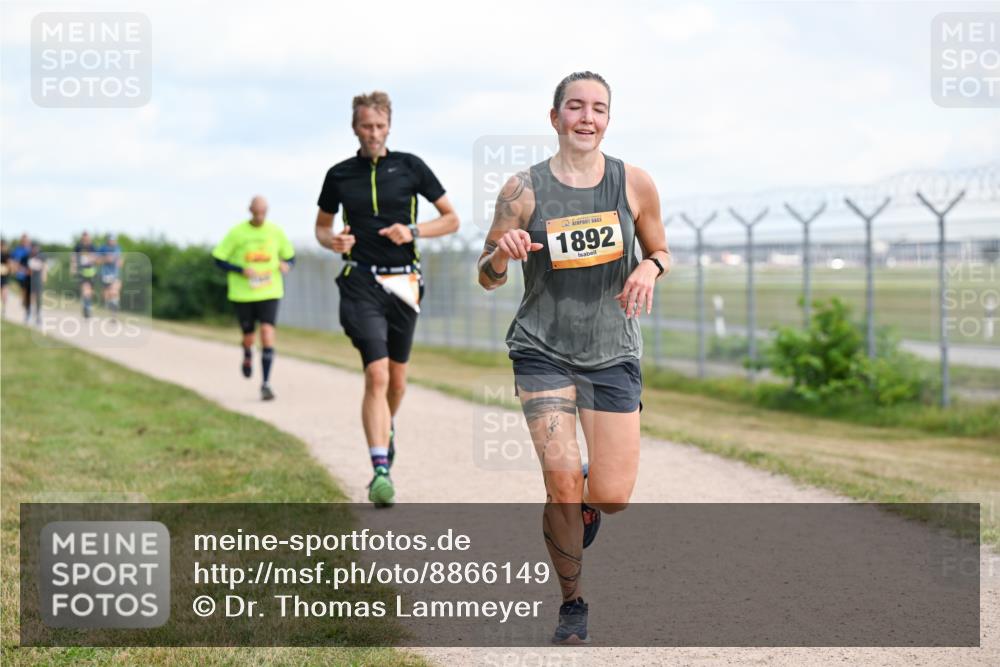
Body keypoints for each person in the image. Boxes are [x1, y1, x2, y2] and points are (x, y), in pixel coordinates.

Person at [476, 72, 670, 644]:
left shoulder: (634, 183)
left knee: (611, 497)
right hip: (542, 350)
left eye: (598, 108)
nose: (587, 118)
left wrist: (649, 266)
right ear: (555, 116)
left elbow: (661, 249)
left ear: (608, 119)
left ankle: (587, 496)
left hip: (612, 352)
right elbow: (486, 275)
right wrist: (502, 255)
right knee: (560, 483)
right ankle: (572, 603)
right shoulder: (522, 190)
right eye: (576, 107)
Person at [315, 90, 459, 508]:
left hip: (405, 283)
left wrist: (412, 231)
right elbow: (322, 228)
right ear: (354, 128)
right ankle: (380, 470)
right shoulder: (339, 175)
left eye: (379, 126)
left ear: (389, 126)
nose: (373, 133)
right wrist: (333, 241)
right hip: (360, 280)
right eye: (366, 126)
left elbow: (451, 219)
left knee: (397, 381)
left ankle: (385, 426)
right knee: (376, 375)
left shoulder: (410, 167)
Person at [212, 196, 295, 401]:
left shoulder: (275, 231)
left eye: (263, 212)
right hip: (243, 294)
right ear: (250, 210)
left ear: (267, 211)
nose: (259, 216)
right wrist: (240, 269)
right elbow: (219, 259)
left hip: (270, 291)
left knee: (267, 332)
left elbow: (291, 256)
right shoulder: (237, 232)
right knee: (248, 336)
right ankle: (247, 352)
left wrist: (287, 265)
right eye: (256, 212)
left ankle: (266, 383)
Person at [72, 231, 99, 318]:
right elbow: (74, 257)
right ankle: (87, 307)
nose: (85, 239)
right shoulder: (78, 247)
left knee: (89, 291)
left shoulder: (92, 247)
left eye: (87, 237)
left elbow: (96, 258)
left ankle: (87, 305)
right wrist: (73, 268)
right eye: (84, 237)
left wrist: (91, 259)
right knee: (85, 289)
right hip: (82, 271)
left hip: (91, 271)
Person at [99, 234, 124, 316]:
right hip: (105, 274)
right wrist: (105, 259)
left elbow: (121, 262)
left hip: (115, 274)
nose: (112, 242)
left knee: (115, 291)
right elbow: (96, 260)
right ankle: (111, 305)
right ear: (107, 240)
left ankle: (115, 307)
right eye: (110, 240)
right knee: (106, 294)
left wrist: (119, 262)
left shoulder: (118, 248)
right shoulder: (102, 248)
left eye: (113, 240)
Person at [10, 234, 32, 323]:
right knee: (24, 291)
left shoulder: (31, 249)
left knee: (29, 292)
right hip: (21, 275)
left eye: (26, 241)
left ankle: (28, 308)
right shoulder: (17, 250)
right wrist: (15, 269)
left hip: (30, 276)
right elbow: (13, 261)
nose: (25, 242)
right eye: (24, 241)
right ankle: (26, 304)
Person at [1, 239, 11, 317]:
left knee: (4, 293)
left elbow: (9, 265)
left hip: (4, 276)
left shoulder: (7, 254)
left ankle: (3, 309)